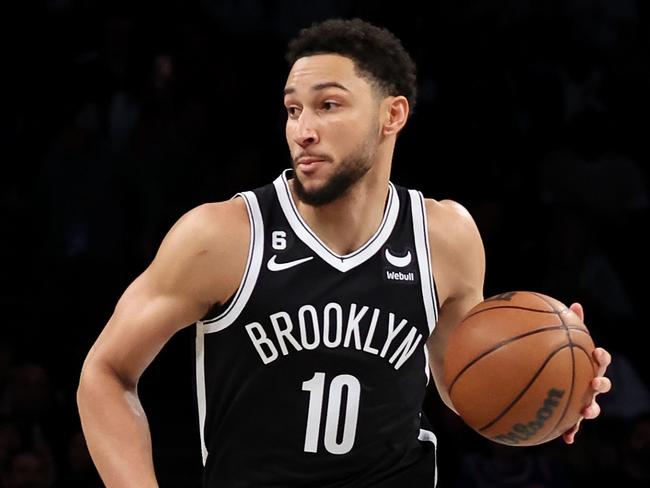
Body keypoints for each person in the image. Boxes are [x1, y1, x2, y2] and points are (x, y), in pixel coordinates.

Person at [76, 18, 612, 487]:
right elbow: (105, 373)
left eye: (328, 105)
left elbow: (464, 382)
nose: (303, 131)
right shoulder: (223, 236)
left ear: (392, 115)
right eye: (292, 110)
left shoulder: (445, 235)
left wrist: (554, 391)